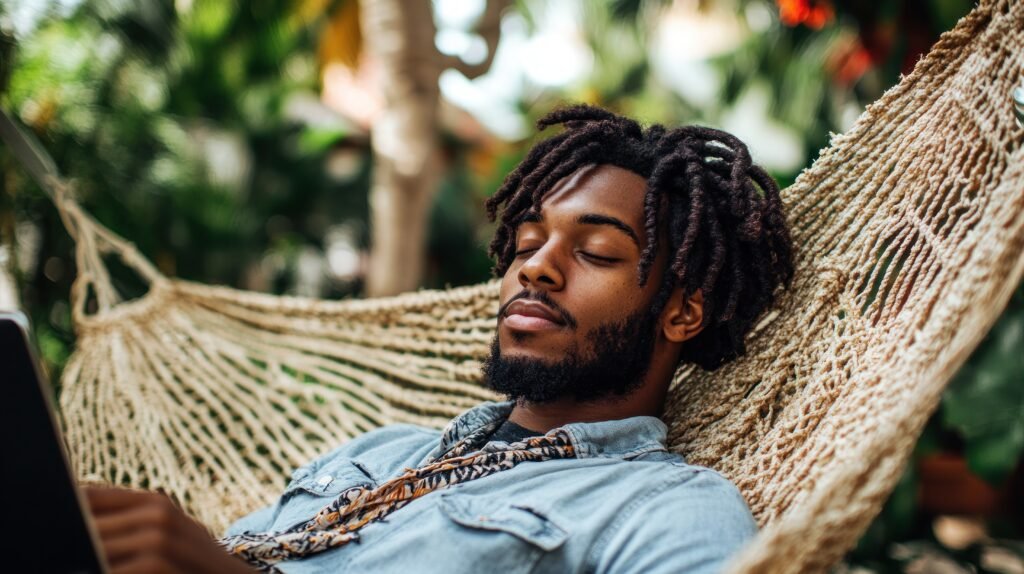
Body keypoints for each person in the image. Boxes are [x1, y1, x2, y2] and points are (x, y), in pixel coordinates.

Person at [85, 104, 794, 573]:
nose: (536, 268)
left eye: (596, 253)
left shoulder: (665, 510)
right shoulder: (379, 453)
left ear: (683, 312)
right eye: (526, 243)